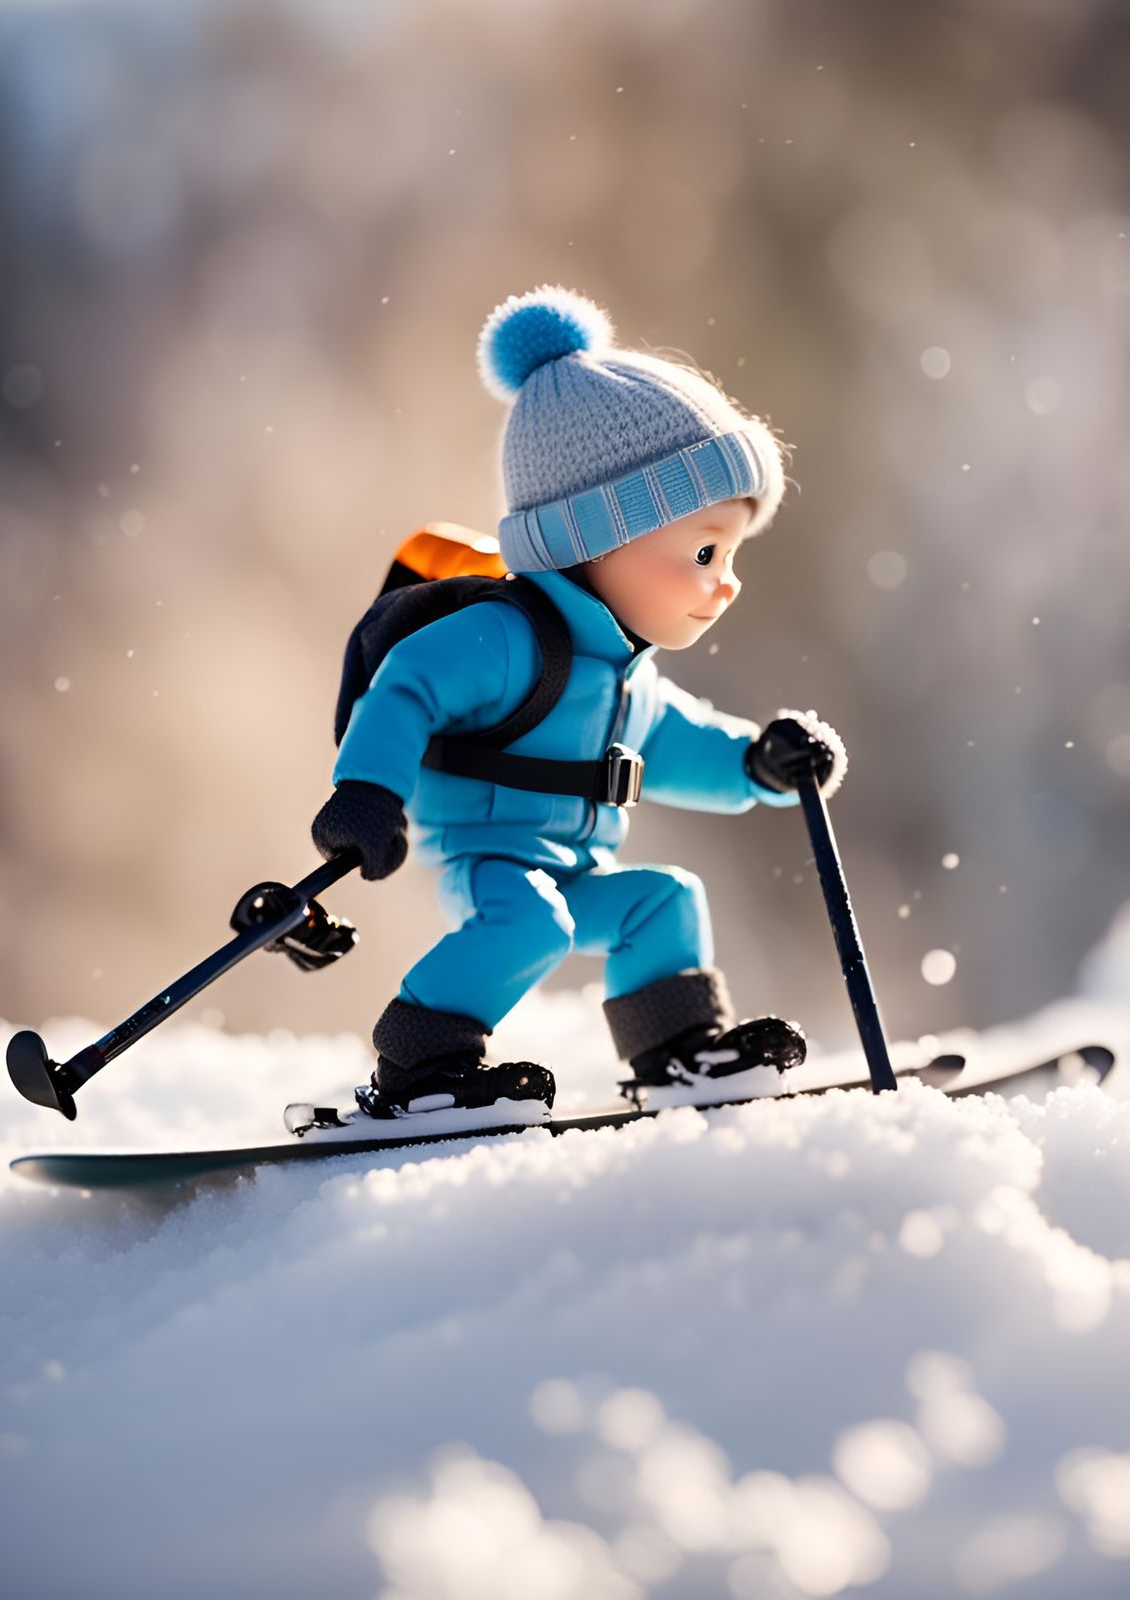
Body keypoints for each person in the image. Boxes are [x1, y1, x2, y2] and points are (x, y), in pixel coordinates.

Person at [311, 285, 845, 1118]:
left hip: (574, 864)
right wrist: (367, 793)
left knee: (662, 901)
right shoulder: (505, 637)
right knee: (534, 928)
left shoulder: (623, 672)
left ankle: (675, 1053)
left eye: (732, 551)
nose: (726, 582)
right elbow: (404, 687)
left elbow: (674, 742)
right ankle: (419, 1064)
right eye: (703, 550)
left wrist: (757, 764)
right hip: (486, 857)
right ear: (592, 539)